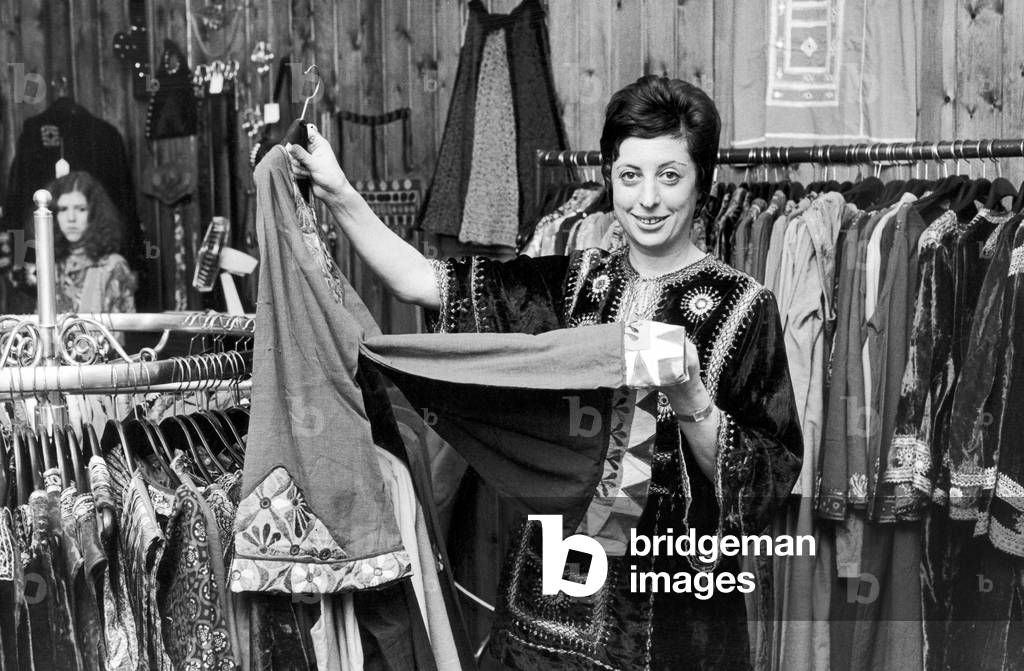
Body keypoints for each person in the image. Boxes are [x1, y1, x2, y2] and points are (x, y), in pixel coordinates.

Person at [289, 75, 803, 670]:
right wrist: (338, 191)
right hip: (547, 605)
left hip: (675, 619)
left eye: (670, 175)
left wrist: (690, 394)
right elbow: (420, 282)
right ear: (609, 177)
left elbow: (765, 479)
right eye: (630, 175)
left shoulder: (744, 307)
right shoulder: (567, 284)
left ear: (702, 183)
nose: (648, 199)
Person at [48, 170, 137, 314]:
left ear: (95, 214)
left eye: (81, 209)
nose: (71, 218)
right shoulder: (51, 265)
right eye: (63, 209)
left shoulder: (113, 267)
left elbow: (120, 332)